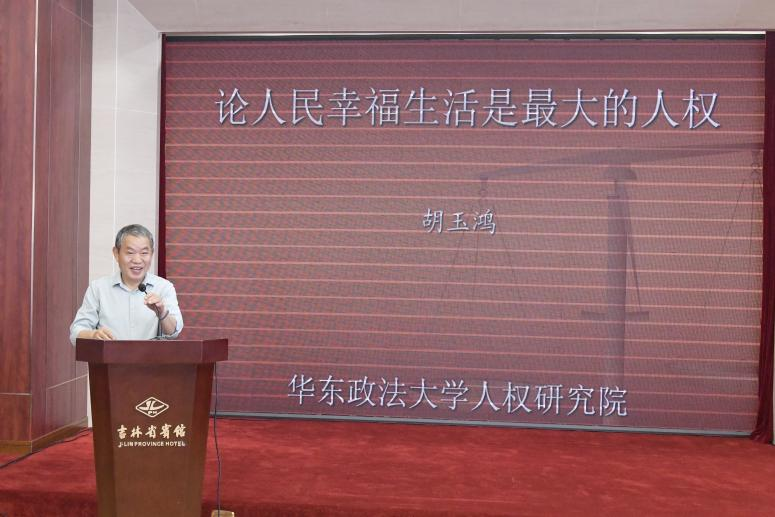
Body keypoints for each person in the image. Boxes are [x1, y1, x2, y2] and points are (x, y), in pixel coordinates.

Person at [69, 224, 183, 344]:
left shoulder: (164, 287)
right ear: (116, 253)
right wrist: (93, 335)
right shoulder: (98, 288)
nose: (137, 260)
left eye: (144, 253)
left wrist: (162, 313)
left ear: (152, 254)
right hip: (110, 356)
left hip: (150, 356)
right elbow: (76, 332)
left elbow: (174, 333)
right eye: (130, 253)